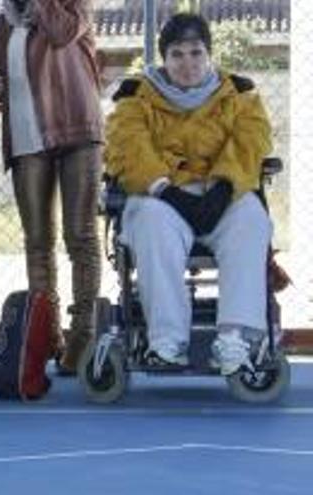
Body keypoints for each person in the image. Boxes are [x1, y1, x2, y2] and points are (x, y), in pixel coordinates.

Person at [104, 13, 273, 375]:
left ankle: (235, 340)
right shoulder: (136, 97)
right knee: (149, 220)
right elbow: (127, 148)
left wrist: (223, 188)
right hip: (163, 195)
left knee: (252, 219)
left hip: (220, 194)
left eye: (196, 52)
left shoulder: (239, 94)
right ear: (163, 58)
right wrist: (168, 193)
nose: (188, 63)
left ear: (209, 54)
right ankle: (167, 342)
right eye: (177, 54)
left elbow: (251, 142)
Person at [0, 0, 103, 375]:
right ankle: (45, 335)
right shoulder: (2, 22)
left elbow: (62, 34)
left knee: (80, 236)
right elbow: (6, 79)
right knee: (37, 242)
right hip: (26, 137)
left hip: (77, 130)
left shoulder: (72, 7)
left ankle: (84, 334)